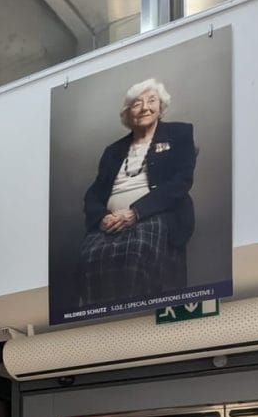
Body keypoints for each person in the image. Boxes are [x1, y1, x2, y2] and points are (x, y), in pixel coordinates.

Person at [77, 78, 195, 309]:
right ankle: (102, 321)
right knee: (88, 258)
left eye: (152, 101)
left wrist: (135, 212)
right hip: (112, 220)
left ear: (161, 106)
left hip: (155, 215)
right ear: (128, 113)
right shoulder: (113, 151)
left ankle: (135, 319)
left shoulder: (179, 133)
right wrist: (102, 217)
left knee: (136, 252)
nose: (145, 108)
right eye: (137, 104)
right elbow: (94, 194)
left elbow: (181, 182)